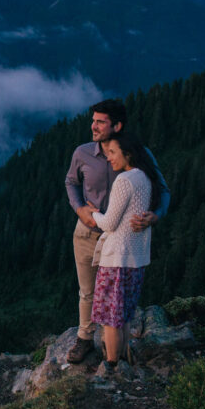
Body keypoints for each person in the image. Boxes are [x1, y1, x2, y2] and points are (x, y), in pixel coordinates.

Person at [64, 99, 170, 364]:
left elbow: (164, 189)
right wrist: (79, 209)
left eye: (100, 122)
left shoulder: (137, 154)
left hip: (121, 239)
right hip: (89, 231)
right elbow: (71, 182)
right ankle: (85, 338)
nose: (93, 126)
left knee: (115, 297)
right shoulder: (83, 153)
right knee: (88, 291)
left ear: (117, 125)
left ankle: (113, 354)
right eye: (93, 120)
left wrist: (155, 216)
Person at [89, 131, 163, 365]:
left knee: (111, 319)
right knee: (125, 315)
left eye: (112, 152)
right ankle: (125, 359)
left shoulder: (125, 180)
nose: (109, 158)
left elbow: (109, 223)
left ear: (127, 154)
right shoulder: (146, 178)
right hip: (136, 259)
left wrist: (93, 213)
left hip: (116, 259)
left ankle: (112, 367)